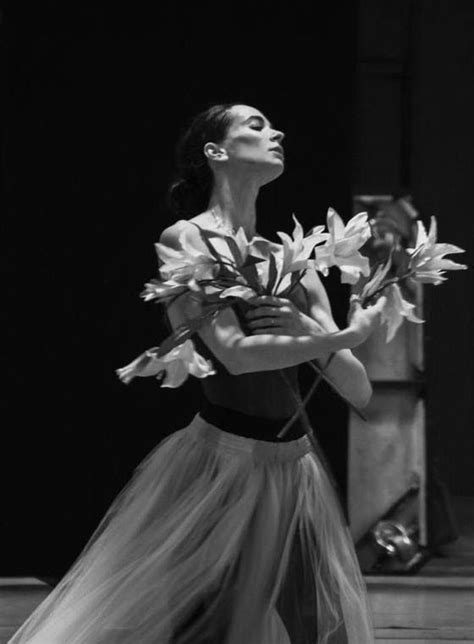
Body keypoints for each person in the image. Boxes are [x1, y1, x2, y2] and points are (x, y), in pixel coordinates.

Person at [9, 103, 386, 644]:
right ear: (216, 152)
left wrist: (312, 329)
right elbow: (232, 353)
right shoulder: (186, 239)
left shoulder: (292, 259)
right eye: (255, 126)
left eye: (272, 125)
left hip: (296, 470)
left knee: (324, 631)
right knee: (208, 629)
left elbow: (360, 389)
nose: (275, 131)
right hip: (223, 465)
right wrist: (343, 337)